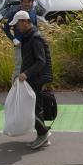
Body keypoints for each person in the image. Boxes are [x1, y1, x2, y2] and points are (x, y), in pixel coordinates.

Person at [10, 10, 53, 150]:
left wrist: (26, 74)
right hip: (34, 78)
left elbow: (41, 61)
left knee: (32, 108)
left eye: (17, 24)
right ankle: (43, 136)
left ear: (24, 22)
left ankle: (43, 134)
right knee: (34, 108)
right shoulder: (28, 36)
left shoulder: (35, 38)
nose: (16, 27)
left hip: (36, 78)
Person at [1, 0, 37, 78]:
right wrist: (14, 39)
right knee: (18, 67)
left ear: (31, 3)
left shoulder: (32, 12)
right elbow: (4, 26)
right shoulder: (14, 12)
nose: (27, 4)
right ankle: (14, 89)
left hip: (31, 44)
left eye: (29, 2)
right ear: (21, 3)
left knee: (30, 67)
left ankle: (26, 89)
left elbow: (35, 27)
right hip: (19, 44)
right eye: (25, 2)